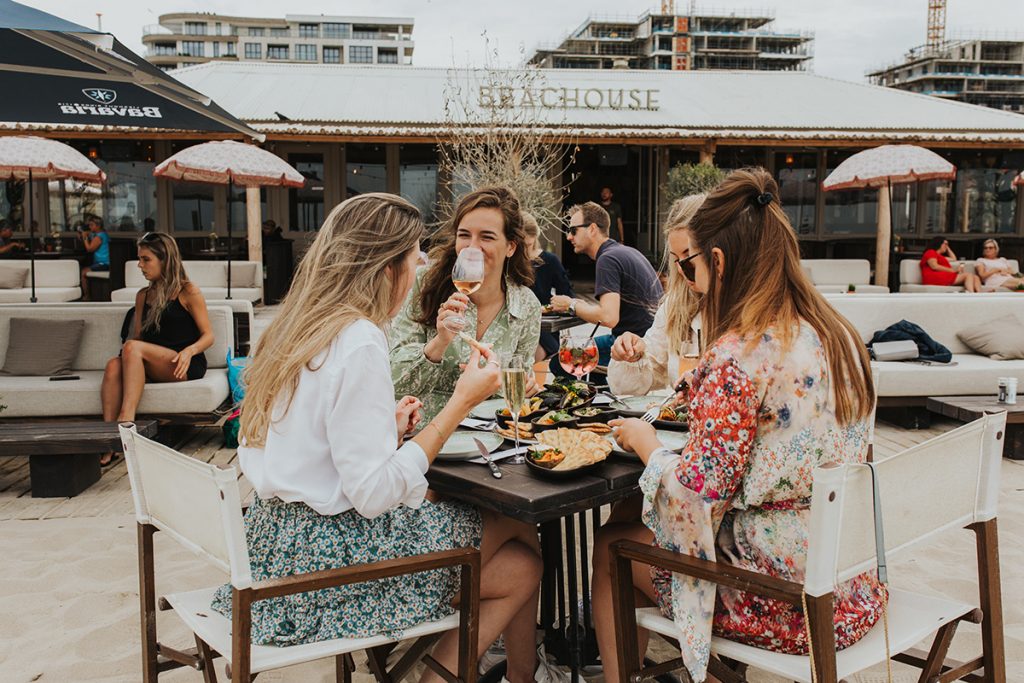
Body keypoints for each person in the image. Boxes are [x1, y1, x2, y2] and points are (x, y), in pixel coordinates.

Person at [208, 194, 551, 683]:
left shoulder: (300, 325)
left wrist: (382, 431)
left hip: (276, 543)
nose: (419, 272)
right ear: (387, 267)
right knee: (519, 543)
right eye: (415, 261)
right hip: (331, 562)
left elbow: (302, 439)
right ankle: (458, 676)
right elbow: (373, 495)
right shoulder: (360, 339)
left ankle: (479, 672)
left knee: (519, 554)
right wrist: (459, 403)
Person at [591, 168, 886, 683]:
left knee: (611, 543)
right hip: (849, 578)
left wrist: (649, 446)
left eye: (690, 267)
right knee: (628, 522)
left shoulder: (737, 355)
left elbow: (697, 500)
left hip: (789, 601)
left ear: (720, 261)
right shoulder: (837, 334)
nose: (689, 280)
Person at [390, 186, 543, 421]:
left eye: (487, 237)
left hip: (493, 438)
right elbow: (394, 381)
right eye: (464, 235)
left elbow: (518, 387)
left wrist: (525, 386)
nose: (472, 247)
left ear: (510, 246)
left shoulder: (527, 306)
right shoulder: (424, 282)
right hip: (423, 436)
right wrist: (439, 344)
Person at [99, 232, 213, 466]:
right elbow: (139, 337)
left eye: (146, 259)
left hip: (182, 363)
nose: (140, 265)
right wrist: (127, 360)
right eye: (139, 259)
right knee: (113, 365)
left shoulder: (187, 292)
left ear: (165, 259)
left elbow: (208, 336)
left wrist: (190, 351)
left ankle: (126, 422)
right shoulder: (143, 295)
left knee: (132, 348)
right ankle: (109, 442)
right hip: (149, 361)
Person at [607, 194, 704, 396]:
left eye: (688, 256)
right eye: (675, 259)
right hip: (677, 424)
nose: (681, 269)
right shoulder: (676, 304)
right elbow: (649, 369)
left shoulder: (749, 312)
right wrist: (633, 355)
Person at [549, 202, 663, 371]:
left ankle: (600, 393)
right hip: (647, 341)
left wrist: (570, 304)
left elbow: (609, 317)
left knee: (560, 362)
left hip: (631, 346)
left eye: (573, 230)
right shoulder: (625, 252)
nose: (569, 237)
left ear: (592, 229)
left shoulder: (607, 259)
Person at [522, 211, 574, 362]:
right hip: (514, 326)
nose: (525, 250)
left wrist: (553, 305)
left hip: (543, 330)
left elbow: (567, 295)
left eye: (529, 245)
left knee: (528, 356)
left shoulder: (550, 261)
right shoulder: (507, 261)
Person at [79, 215, 110, 300]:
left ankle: (86, 296)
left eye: (92, 225)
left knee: (83, 272)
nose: (90, 227)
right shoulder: (102, 234)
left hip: (104, 263)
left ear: (98, 225)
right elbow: (91, 234)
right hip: (102, 263)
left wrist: (85, 237)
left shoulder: (99, 237)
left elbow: (89, 249)